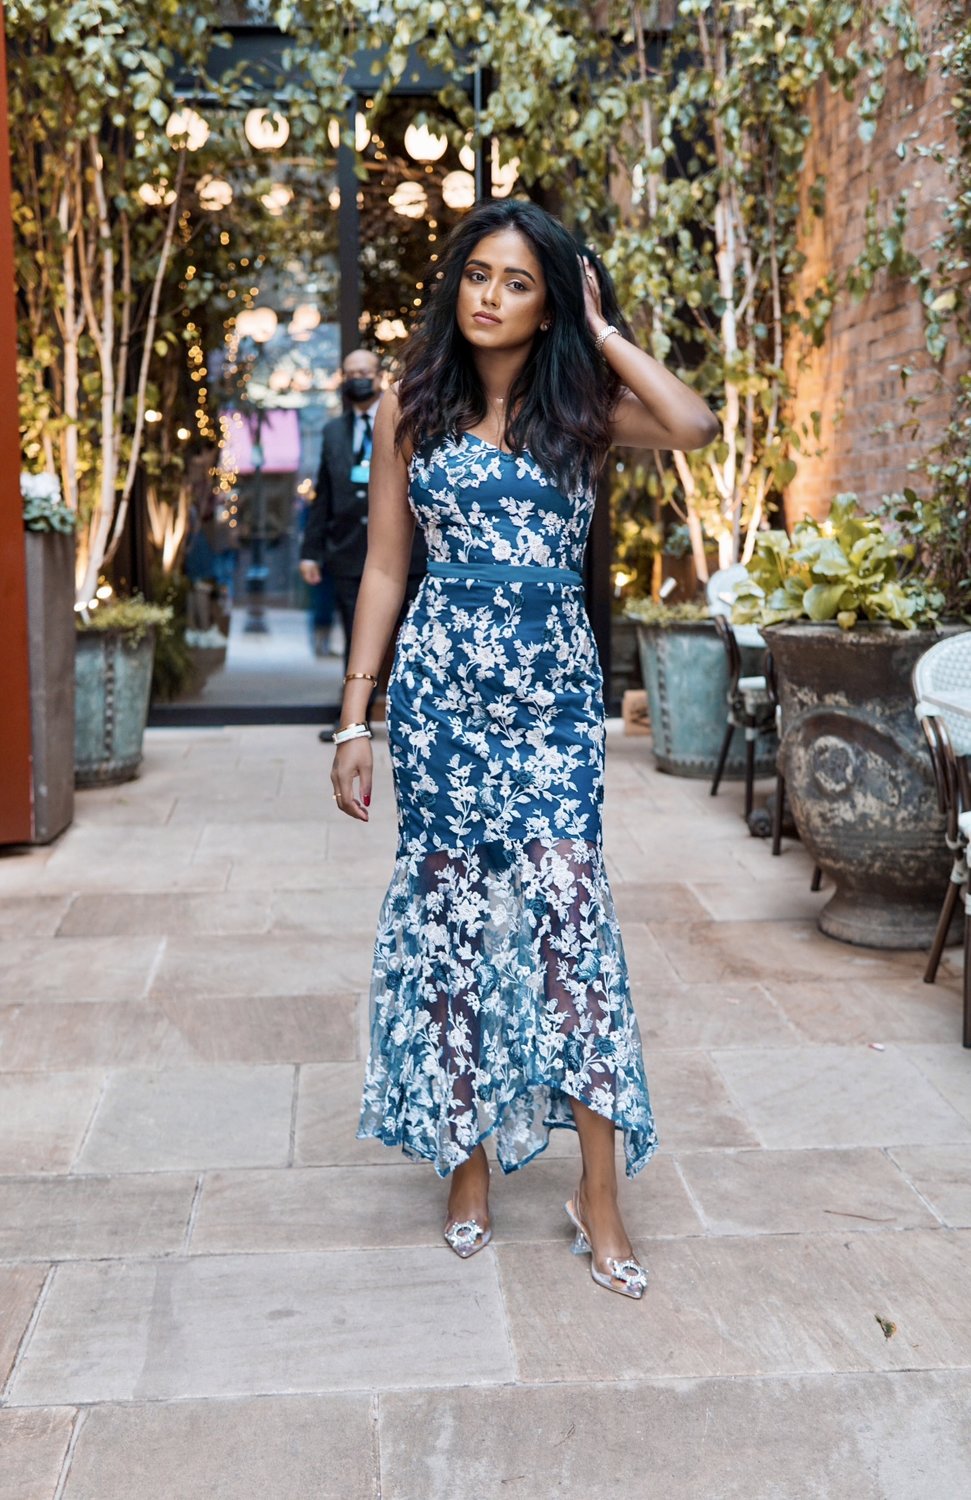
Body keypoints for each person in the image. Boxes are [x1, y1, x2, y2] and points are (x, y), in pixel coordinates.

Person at [330, 199, 719, 1300]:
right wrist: (358, 717)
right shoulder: (410, 409)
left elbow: (690, 425)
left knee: (568, 925)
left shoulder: (581, 410)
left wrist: (599, 335)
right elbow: (382, 572)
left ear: (547, 303)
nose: (489, 296)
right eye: (477, 276)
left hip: (551, 703)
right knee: (453, 921)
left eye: (516, 282)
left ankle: (596, 1192)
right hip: (444, 697)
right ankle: (465, 1168)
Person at [299, 349, 426, 668]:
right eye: (351, 374)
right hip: (350, 553)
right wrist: (310, 551)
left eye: (364, 373)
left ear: (380, 376)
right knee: (358, 644)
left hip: (411, 557)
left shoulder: (410, 422)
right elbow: (323, 494)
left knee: (414, 645)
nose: (358, 380)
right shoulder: (332, 432)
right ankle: (355, 714)